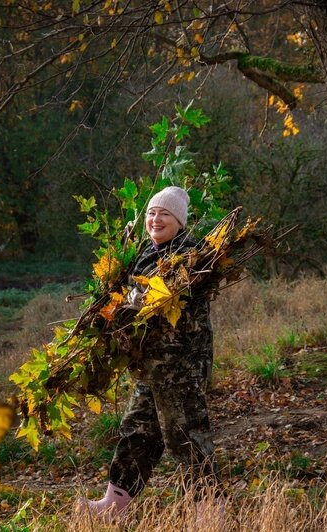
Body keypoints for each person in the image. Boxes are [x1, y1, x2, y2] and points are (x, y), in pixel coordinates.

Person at [78, 186, 221, 521]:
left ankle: (210, 512)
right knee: (138, 429)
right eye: (151, 213)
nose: (156, 219)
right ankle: (116, 504)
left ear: (179, 221)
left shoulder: (189, 254)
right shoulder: (146, 252)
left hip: (179, 364)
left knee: (184, 434)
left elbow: (152, 299)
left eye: (165, 214)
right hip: (150, 365)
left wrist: (125, 303)